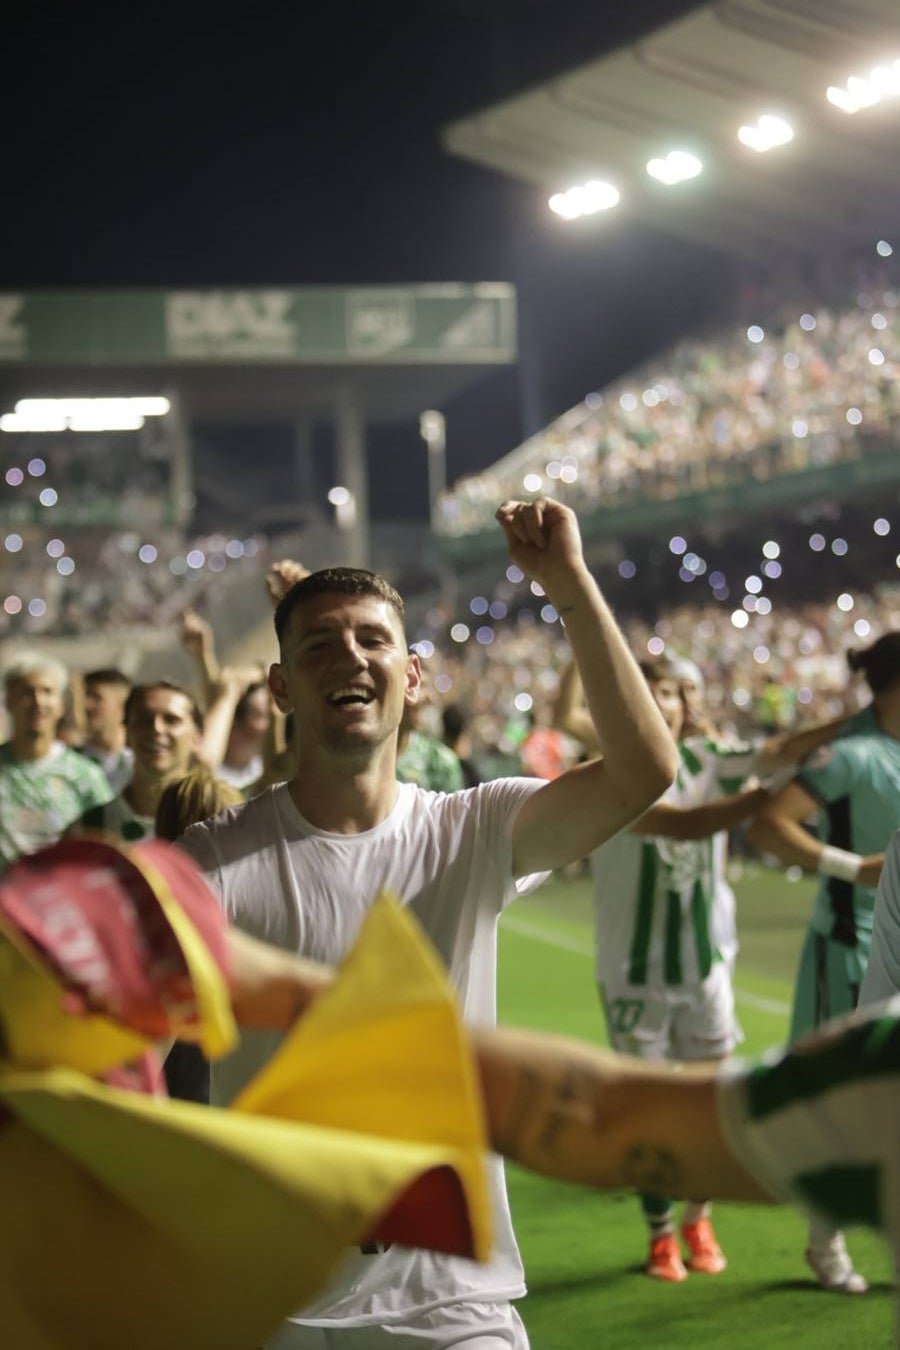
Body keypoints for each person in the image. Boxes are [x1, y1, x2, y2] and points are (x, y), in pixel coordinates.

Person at [178, 495, 678, 1350]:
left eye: (373, 640)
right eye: (319, 644)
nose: (351, 656)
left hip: (448, 1303)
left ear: (411, 677)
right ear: (281, 687)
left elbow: (643, 771)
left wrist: (567, 583)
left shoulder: (474, 830)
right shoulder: (213, 859)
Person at [748, 631, 900, 1293]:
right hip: (849, 943)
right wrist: (853, 867)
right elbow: (766, 825)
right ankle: (823, 1240)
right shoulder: (853, 756)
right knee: (838, 1101)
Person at [0, 653, 112, 871]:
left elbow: (107, 842)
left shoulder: (85, 774)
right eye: (26, 692)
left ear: (61, 705)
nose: (38, 702)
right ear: (8, 702)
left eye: (47, 692)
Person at [79, 681, 205, 841]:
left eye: (171, 720)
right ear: (126, 734)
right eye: (144, 719)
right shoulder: (89, 829)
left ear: (197, 739)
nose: (156, 728)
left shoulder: (219, 821)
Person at [78, 667, 134, 794]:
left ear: (123, 707)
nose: (87, 706)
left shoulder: (138, 764)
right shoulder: (71, 762)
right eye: (85, 697)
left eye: (97, 698)